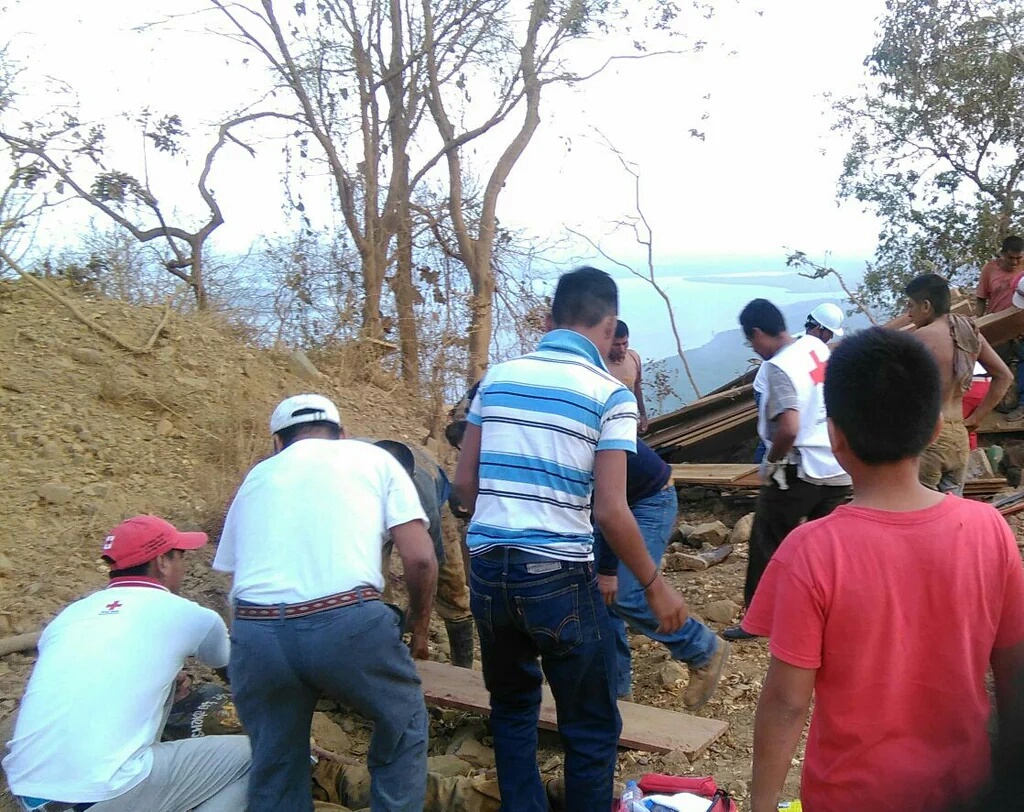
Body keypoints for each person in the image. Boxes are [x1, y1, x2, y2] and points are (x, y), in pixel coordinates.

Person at [743, 327, 1024, 812]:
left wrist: (762, 804)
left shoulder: (811, 551)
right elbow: (1013, 673)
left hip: (849, 796)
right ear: (934, 429)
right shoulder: (989, 530)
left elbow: (787, 703)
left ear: (835, 436)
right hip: (967, 791)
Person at [454, 267, 689, 812]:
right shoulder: (610, 394)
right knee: (589, 724)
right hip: (557, 576)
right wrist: (654, 586)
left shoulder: (497, 378)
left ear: (548, 319)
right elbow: (611, 509)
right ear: (609, 327)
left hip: (487, 568)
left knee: (513, 709)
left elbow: (464, 485)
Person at [215, 393, 438, 812]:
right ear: (343, 434)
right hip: (346, 623)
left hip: (256, 630)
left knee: (275, 762)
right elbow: (421, 559)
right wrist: (419, 628)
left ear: (277, 443)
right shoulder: (374, 459)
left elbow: (235, 573)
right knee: (403, 721)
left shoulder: (257, 477)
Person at [3, 515, 251, 812]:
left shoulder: (70, 615)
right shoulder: (189, 614)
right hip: (100, 793)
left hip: (30, 794)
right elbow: (237, 674)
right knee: (261, 757)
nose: (184, 567)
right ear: (162, 562)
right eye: (180, 557)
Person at [724, 299, 851, 643]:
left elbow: (789, 427)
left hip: (800, 470)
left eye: (751, 341)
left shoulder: (779, 366)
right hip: (838, 467)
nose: (754, 348)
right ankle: (829, 617)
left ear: (757, 333)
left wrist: (773, 461)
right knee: (825, 549)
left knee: (767, 540)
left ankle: (757, 620)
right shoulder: (817, 348)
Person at [593, 438, 730, 709]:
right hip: (616, 502)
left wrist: (607, 570)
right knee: (601, 600)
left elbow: (604, 510)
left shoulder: (574, 427)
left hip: (649, 499)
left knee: (624, 593)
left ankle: (703, 648)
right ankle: (616, 693)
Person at [374, 438, 475, 668]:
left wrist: (420, 629)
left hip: (429, 492)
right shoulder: (342, 481)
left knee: (451, 586)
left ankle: (463, 672)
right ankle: (383, 661)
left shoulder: (423, 497)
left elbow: (428, 564)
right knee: (374, 593)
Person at [905, 273, 1011, 494]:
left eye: (911, 305)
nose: (909, 313)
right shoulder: (968, 331)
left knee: (921, 508)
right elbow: (1004, 376)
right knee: (953, 507)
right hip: (959, 436)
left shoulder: (920, 338)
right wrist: (977, 418)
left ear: (926, 306)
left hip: (929, 437)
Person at [752, 302, 846, 463]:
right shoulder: (794, 346)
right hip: (767, 389)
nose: (830, 337)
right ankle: (763, 465)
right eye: (829, 333)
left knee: (799, 425)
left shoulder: (816, 347)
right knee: (775, 433)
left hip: (797, 388)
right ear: (819, 328)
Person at [977, 236, 1024, 416]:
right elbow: (981, 298)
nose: (1014, 262)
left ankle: (1021, 403)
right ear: (1002, 254)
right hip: (998, 326)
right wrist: (980, 323)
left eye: (1018, 258)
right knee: (997, 365)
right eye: (1010, 258)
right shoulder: (990, 270)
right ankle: (994, 402)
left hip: (1020, 324)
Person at [607, 320, 649, 433]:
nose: (622, 349)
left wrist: (643, 415)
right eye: (617, 345)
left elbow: (636, 387)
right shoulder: (599, 364)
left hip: (629, 420)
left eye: (625, 343)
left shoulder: (633, 357)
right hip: (609, 425)